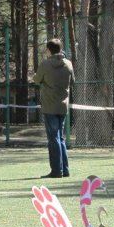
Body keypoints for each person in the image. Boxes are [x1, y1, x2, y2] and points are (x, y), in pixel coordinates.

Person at [33, 38, 75, 178]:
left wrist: (37, 77)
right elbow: (73, 81)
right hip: (63, 105)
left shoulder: (45, 64)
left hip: (49, 106)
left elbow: (37, 80)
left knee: (54, 139)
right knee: (60, 138)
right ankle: (65, 169)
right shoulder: (68, 64)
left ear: (49, 49)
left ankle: (57, 171)